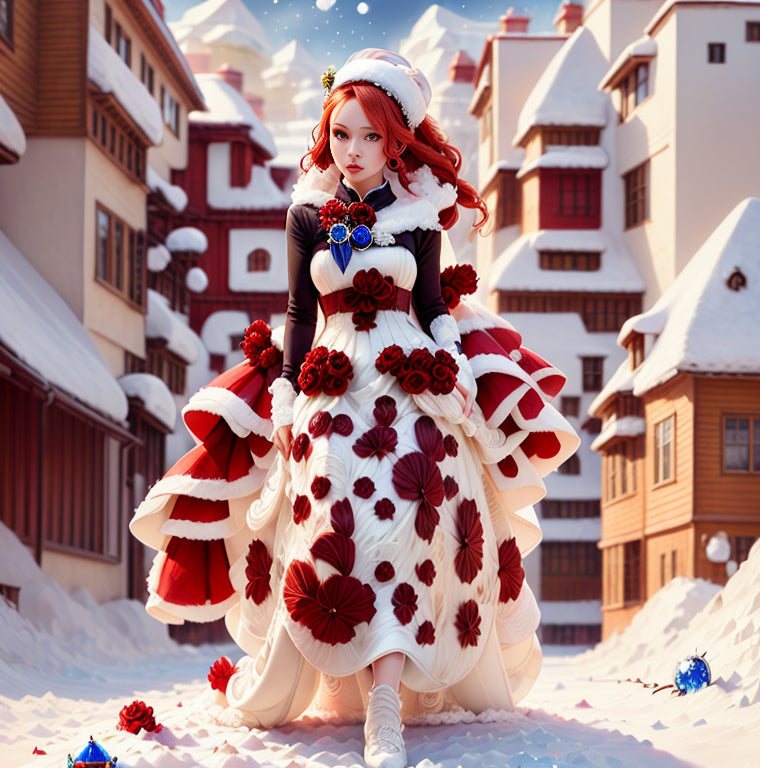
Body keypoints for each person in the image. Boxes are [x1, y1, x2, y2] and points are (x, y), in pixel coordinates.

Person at [131, 49, 579, 768]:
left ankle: (384, 705)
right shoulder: (306, 215)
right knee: (335, 518)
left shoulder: (420, 219)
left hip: (410, 377)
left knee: (416, 513)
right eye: (343, 135)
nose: (356, 151)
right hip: (329, 381)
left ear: (396, 140)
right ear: (327, 136)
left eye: (372, 137)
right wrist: (284, 390)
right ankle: (356, 663)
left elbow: (435, 308)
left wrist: (455, 372)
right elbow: (298, 313)